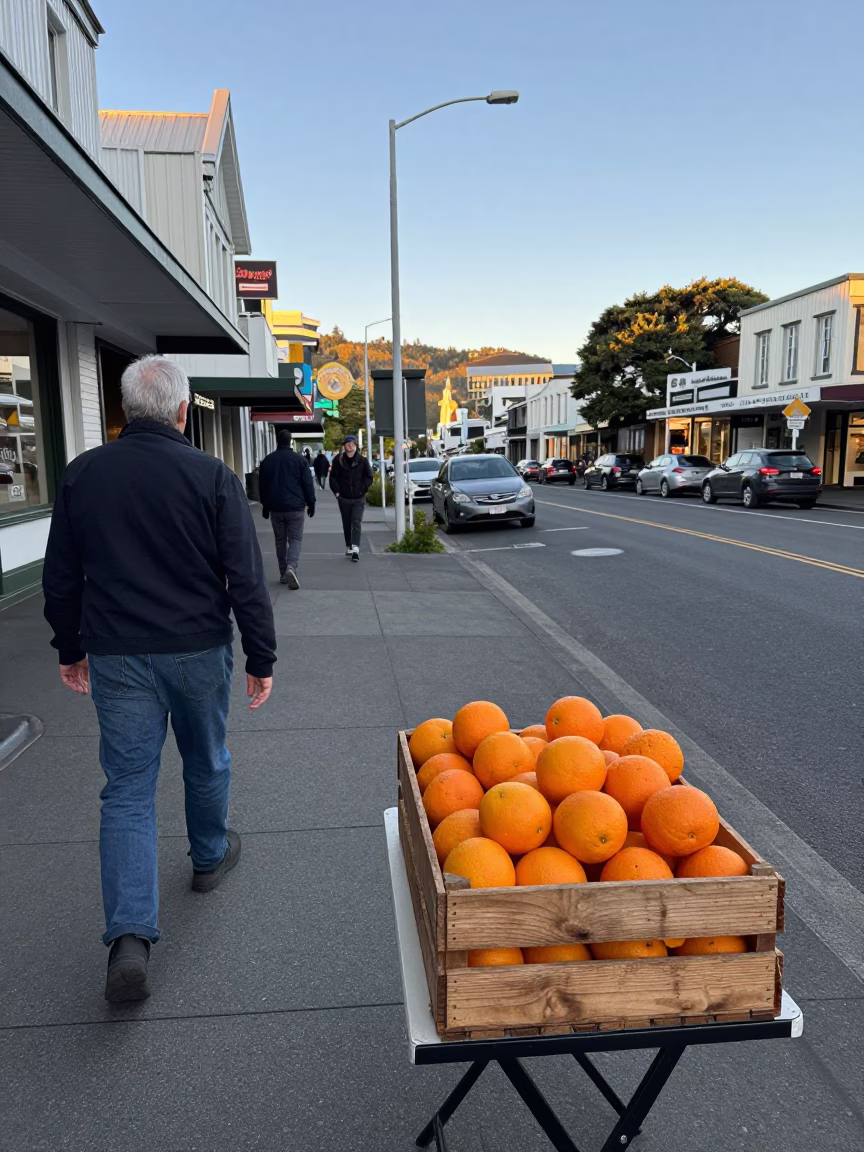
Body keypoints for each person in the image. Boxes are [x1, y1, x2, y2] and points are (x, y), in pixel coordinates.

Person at [42, 355, 276, 1004]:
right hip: (198, 647)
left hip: (117, 653)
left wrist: (70, 645)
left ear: (124, 410)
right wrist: (261, 657)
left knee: (126, 789)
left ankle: (129, 938)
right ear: (181, 411)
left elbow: (61, 574)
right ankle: (207, 856)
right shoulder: (211, 475)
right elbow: (245, 577)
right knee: (206, 758)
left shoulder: (82, 475)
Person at [259, 430, 316, 589]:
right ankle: (292, 567)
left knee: (280, 541)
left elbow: (262, 486)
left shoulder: (268, 461)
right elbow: (307, 484)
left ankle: (283, 572)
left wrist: (265, 505)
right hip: (295, 506)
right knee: (295, 539)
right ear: (290, 441)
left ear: (277, 441)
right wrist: (311, 504)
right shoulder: (299, 460)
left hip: (276, 508)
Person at [329, 433, 373, 561]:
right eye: (348, 444)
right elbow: (333, 478)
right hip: (344, 497)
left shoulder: (363, 461)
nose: (350, 446)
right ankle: (349, 545)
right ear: (344, 446)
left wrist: (363, 488)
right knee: (346, 522)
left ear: (356, 447)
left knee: (356, 521)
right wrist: (337, 491)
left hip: (359, 497)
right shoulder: (338, 460)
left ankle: (356, 549)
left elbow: (369, 477)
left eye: (353, 444)